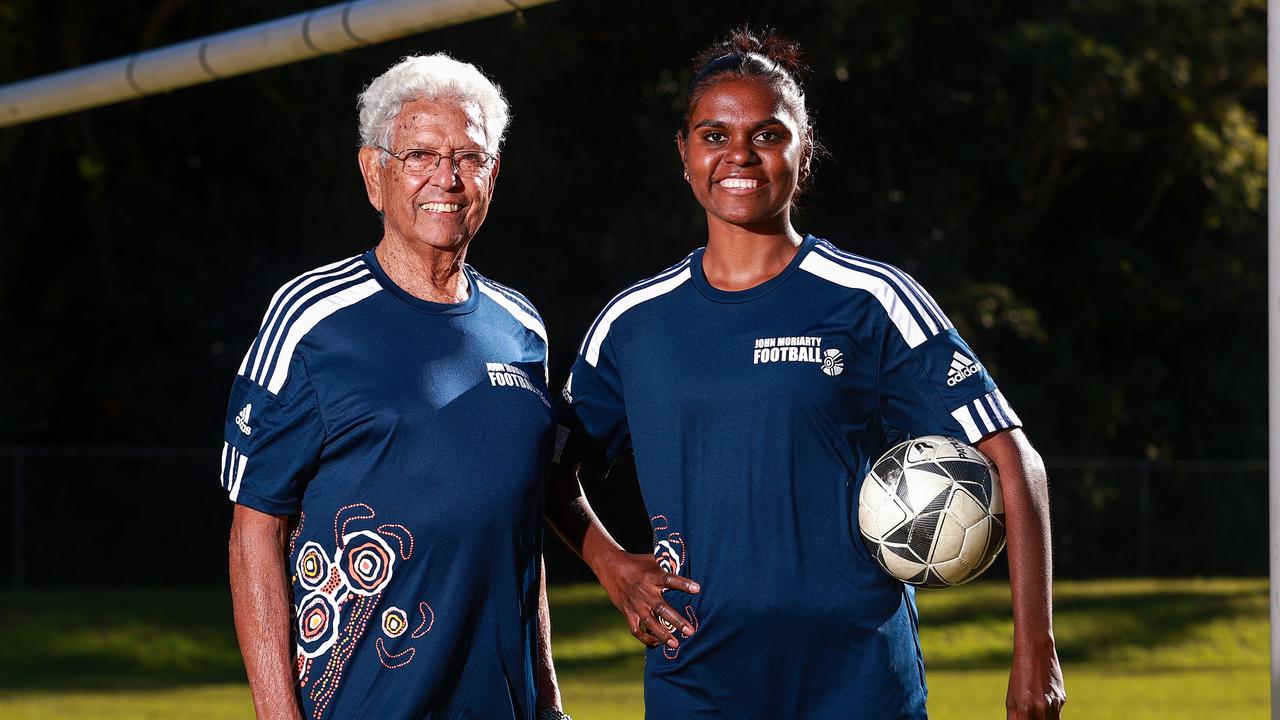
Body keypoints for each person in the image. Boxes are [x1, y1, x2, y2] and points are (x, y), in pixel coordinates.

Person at [546, 27, 1066, 720]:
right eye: (713, 135)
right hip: (699, 680)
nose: (739, 155)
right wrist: (612, 567)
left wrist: (1035, 646)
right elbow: (546, 471)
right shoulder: (634, 322)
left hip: (856, 682)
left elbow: (1013, 460)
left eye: (766, 135)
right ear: (684, 153)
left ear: (803, 150)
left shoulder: (869, 298)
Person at [222, 54, 569, 720]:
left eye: (470, 157)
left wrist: (548, 698)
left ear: (493, 175)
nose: (447, 177)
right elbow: (253, 531)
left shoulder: (522, 326)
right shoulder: (313, 319)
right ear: (373, 172)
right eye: (419, 155)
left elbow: (518, 529)